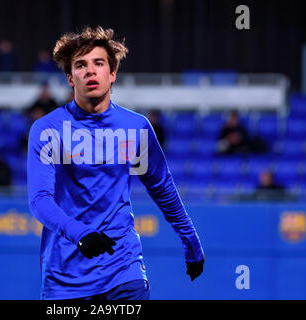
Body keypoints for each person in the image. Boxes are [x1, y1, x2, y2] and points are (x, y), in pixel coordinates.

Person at [27, 26, 205, 300]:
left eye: (98, 63)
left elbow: (163, 188)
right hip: (64, 279)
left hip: (124, 270)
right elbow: (39, 200)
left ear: (112, 74)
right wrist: (80, 233)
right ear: (70, 78)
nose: (90, 71)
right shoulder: (47, 129)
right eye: (80, 65)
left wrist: (191, 241)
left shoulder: (136, 128)